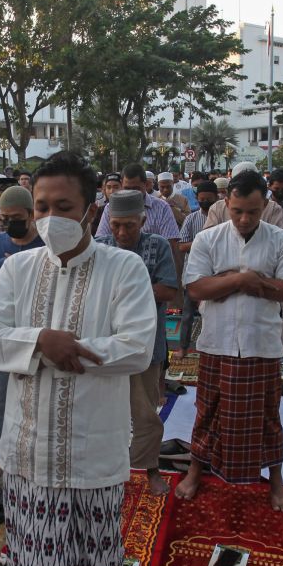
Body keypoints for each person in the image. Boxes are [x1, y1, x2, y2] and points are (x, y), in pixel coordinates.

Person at [0, 152, 156, 566]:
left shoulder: (124, 267)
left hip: (91, 448)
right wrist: (38, 342)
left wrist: (64, 349)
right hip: (28, 447)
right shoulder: (16, 267)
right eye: (41, 206)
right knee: (31, 562)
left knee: (97, 561)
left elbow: (138, 348)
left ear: (91, 207)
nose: (50, 217)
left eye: (63, 205)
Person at [176, 171, 283, 509]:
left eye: (252, 211)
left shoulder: (282, 241)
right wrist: (247, 280)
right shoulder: (208, 239)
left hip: (261, 343)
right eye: (237, 211)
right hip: (217, 342)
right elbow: (196, 288)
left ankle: (275, 480)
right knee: (208, 411)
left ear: (265, 205)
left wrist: (230, 280)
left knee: (266, 415)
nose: (244, 219)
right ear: (226, 204)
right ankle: (195, 470)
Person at [97, 189, 178, 497]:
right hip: (106, 343)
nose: (121, 232)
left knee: (145, 411)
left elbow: (168, 289)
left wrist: (124, 292)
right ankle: (109, 468)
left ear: (142, 221)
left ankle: (151, 469)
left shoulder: (156, 246)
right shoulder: (100, 246)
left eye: (129, 225)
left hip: (145, 344)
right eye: (116, 225)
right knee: (105, 410)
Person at [0, 186, 43, 498]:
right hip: (2, 332)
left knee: (35, 399)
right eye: (5, 218)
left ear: (30, 215)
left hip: (36, 334)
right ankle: (0, 456)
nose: (11, 223)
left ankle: (35, 455)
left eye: (17, 218)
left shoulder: (44, 243)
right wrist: (7, 264)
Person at [176, 181, 219, 352]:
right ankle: (183, 348)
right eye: (202, 199)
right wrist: (203, 243)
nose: (206, 202)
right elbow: (182, 245)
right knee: (187, 314)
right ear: (197, 199)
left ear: (217, 198)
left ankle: (213, 348)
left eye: (209, 199)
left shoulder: (224, 218)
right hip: (194, 271)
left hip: (217, 273)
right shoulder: (191, 218)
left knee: (214, 313)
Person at [95, 163, 180, 242]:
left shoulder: (162, 208)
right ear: (121, 184)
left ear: (145, 184)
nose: (131, 193)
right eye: (127, 189)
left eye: (136, 189)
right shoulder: (110, 208)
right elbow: (102, 241)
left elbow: (171, 243)